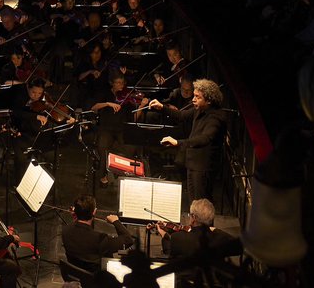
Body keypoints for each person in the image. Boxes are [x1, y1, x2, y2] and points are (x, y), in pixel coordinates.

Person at [149, 79, 227, 207]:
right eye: (194, 95)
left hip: (203, 167)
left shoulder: (216, 117)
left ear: (208, 100)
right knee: (193, 204)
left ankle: (203, 227)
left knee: (201, 205)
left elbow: (205, 138)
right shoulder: (199, 109)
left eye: (197, 97)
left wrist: (178, 143)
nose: (193, 99)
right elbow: (181, 115)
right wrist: (162, 107)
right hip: (192, 163)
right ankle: (195, 226)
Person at [156, 198, 239, 285]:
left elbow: (167, 249)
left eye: (190, 215)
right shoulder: (219, 240)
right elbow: (238, 248)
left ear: (194, 218)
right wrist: (215, 230)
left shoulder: (178, 238)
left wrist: (163, 234)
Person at [61, 195, 134, 271]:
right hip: (94, 277)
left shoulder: (66, 230)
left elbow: (79, 232)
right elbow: (128, 240)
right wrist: (116, 221)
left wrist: (76, 218)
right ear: (94, 212)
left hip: (75, 271)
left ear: (75, 212)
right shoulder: (100, 239)